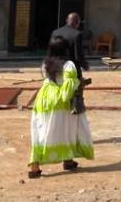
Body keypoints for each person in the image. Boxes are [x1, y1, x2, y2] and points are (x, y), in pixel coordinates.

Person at [27, 36, 94, 179]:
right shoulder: (68, 65)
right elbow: (67, 88)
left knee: (41, 130)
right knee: (67, 129)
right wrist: (77, 85)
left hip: (43, 99)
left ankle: (36, 166)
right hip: (60, 101)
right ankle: (67, 159)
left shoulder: (45, 64)